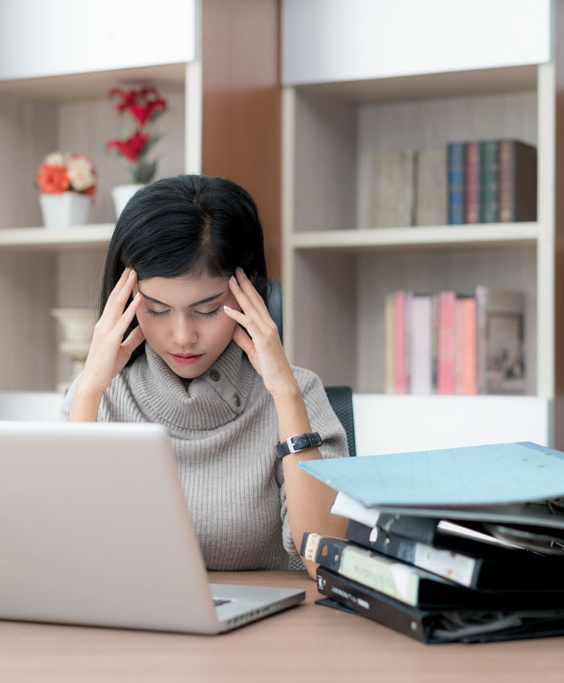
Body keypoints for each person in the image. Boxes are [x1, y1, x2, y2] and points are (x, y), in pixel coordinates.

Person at [61, 174, 348, 578]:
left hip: (268, 633)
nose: (182, 336)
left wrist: (285, 392)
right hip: (135, 627)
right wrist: (89, 388)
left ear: (252, 293)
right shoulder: (100, 395)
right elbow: (68, 554)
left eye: (208, 309)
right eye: (157, 309)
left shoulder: (299, 393)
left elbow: (326, 560)